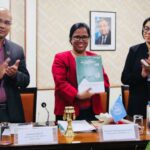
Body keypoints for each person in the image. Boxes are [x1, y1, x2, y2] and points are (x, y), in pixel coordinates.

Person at [52, 22, 109, 122]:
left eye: (84, 37)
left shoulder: (94, 58)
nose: (81, 40)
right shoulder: (60, 58)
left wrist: (96, 88)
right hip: (68, 110)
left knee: (92, 137)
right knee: (68, 137)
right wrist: (77, 94)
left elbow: (105, 82)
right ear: (70, 39)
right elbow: (60, 83)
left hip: (92, 110)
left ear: (88, 39)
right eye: (77, 37)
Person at [0, 8, 30, 122]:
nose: (2, 25)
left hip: (11, 112)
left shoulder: (16, 50)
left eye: (7, 23)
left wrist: (15, 75)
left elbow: (26, 80)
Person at [121, 17, 150, 119]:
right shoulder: (134, 50)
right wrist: (141, 75)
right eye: (146, 28)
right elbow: (125, 78)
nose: (148, 32)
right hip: (138, 106)